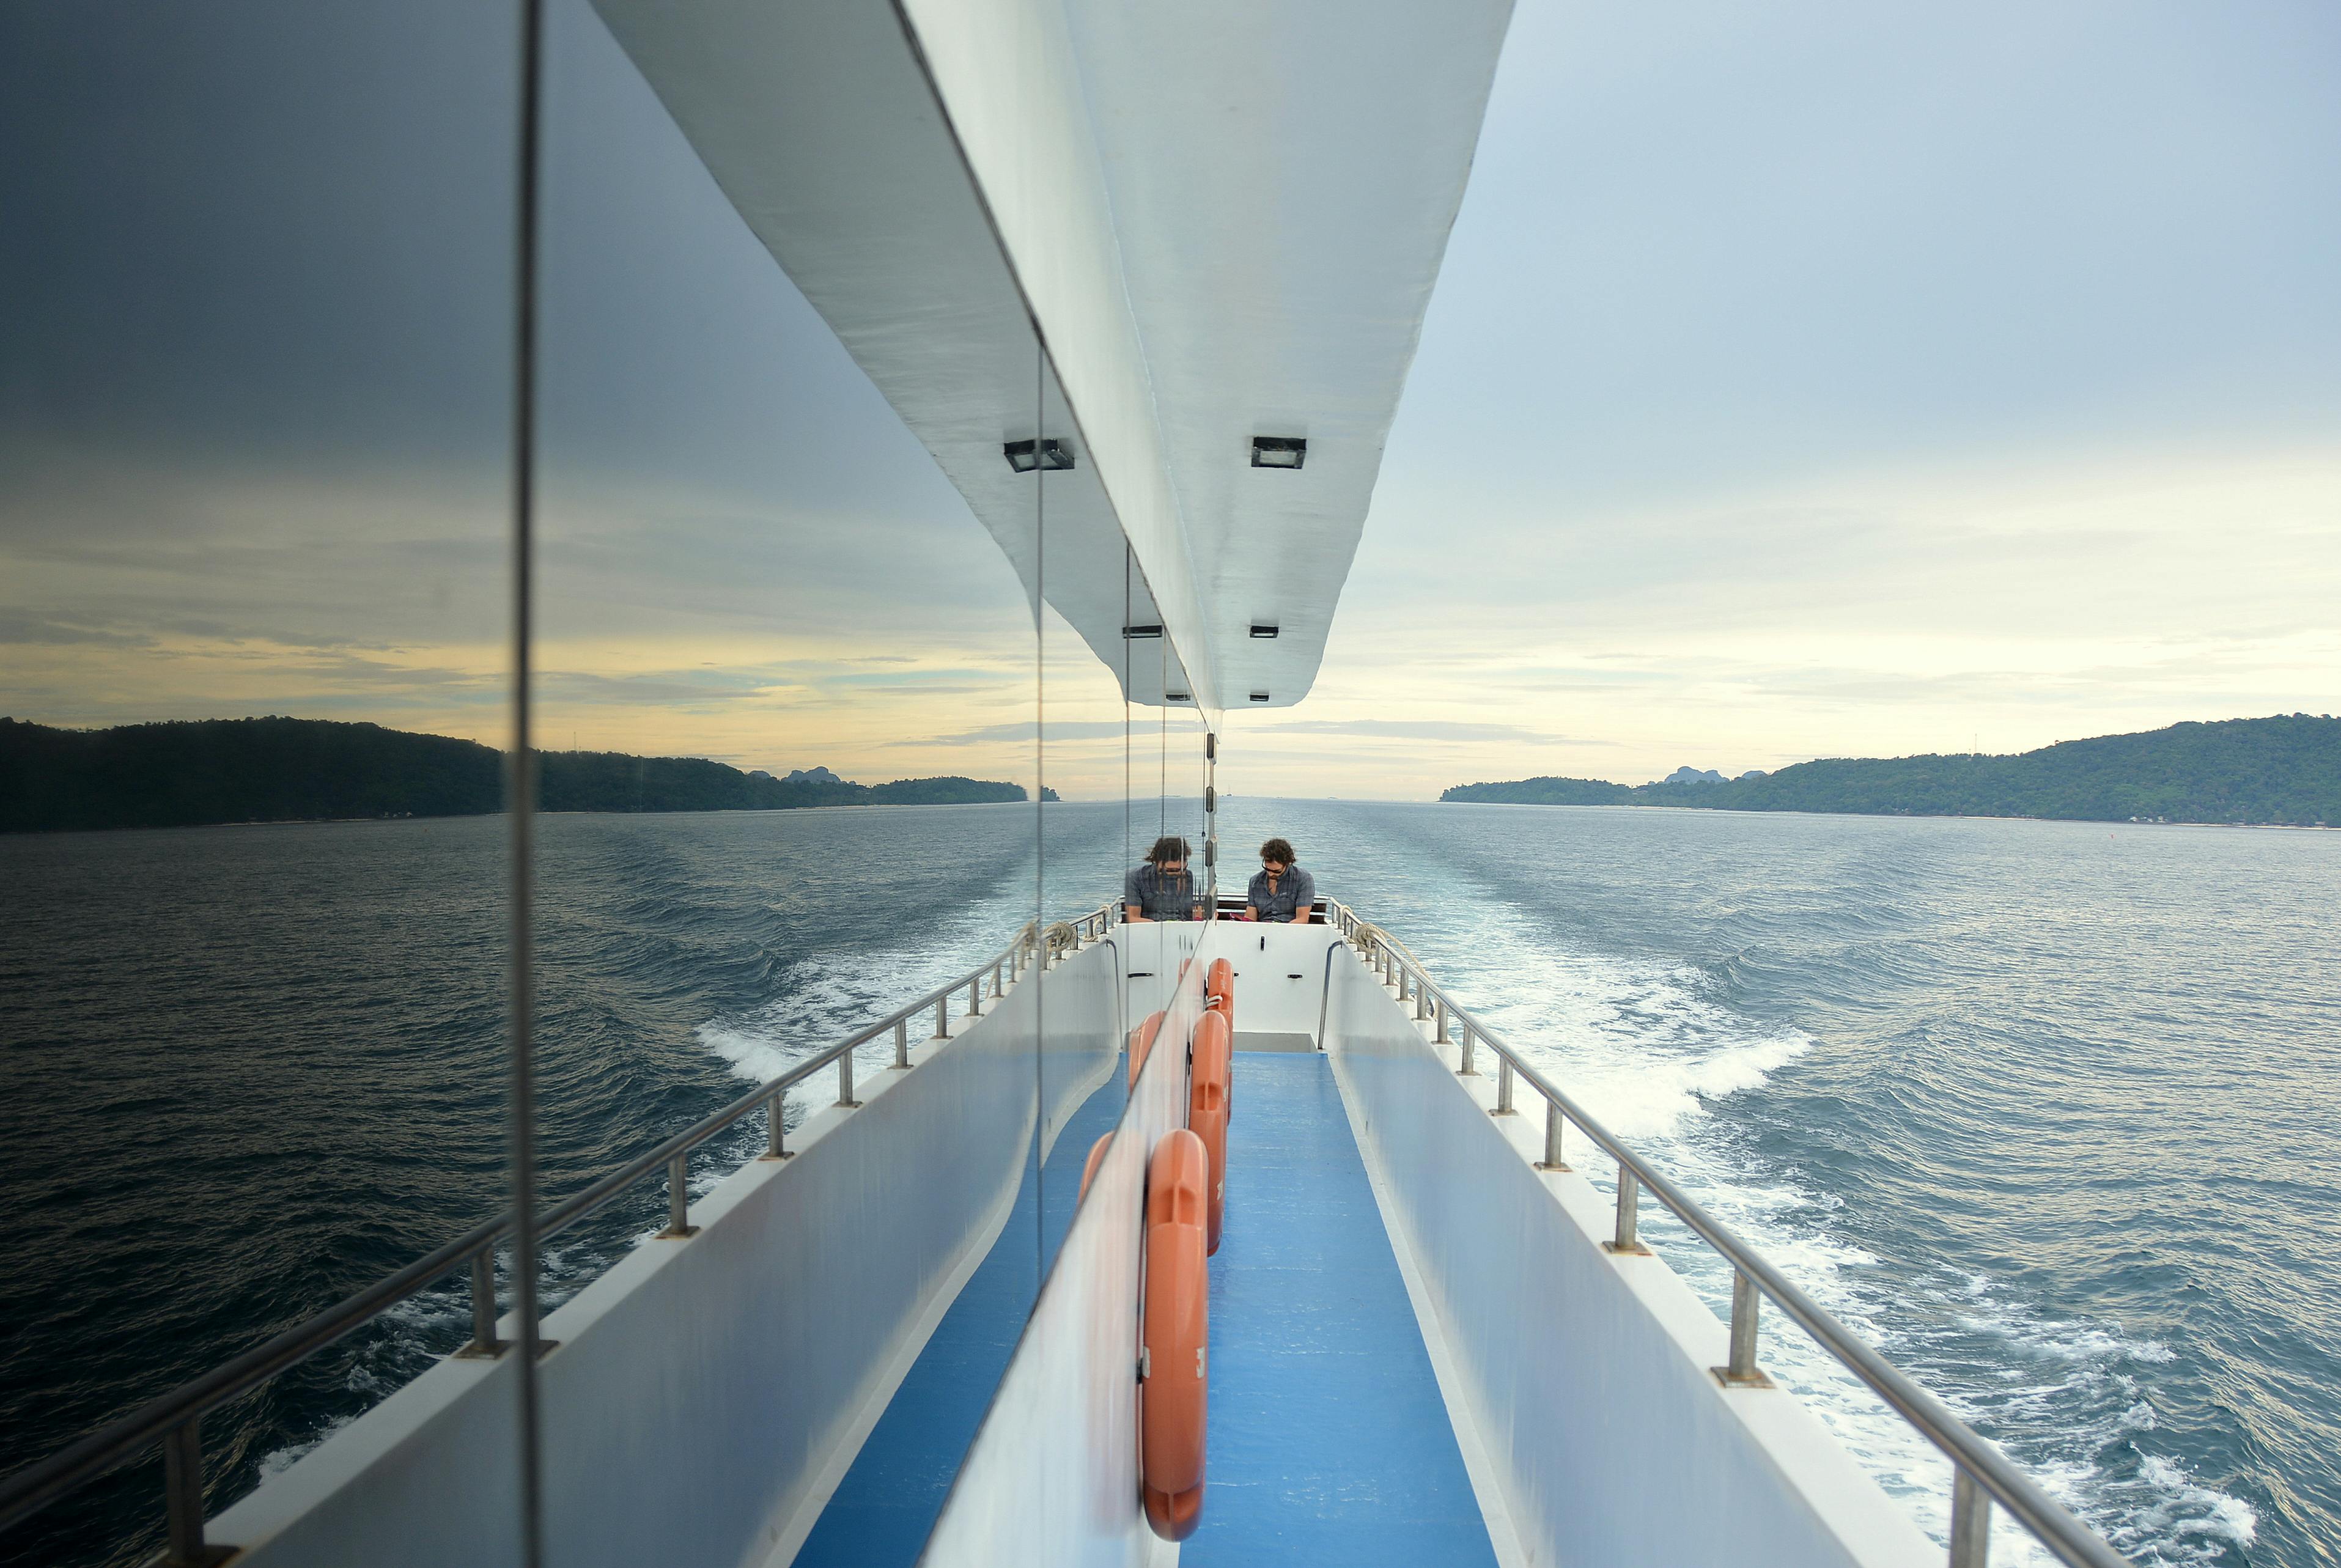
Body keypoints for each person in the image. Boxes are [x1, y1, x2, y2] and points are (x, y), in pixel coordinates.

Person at [1124, 835, 1201, 922]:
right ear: (1157, 862)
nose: (1177, 874)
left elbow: (1187, 915)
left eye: (1182, 870)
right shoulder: (1136, 877)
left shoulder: (1188, 876)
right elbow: (1133, 918)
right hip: (1149, 928)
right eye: (1170, 871)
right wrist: (1157, 926)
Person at [1243, 837, 1316, 923]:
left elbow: (1302, 919)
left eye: (1276, 871)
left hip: (1290, 927)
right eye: (1267, 869)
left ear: (1287, 863)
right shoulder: (1255, 881)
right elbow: (1251, 918)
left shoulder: (1303, 879)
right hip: (1263, 928)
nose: (1270, 874)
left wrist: (1281, 930)